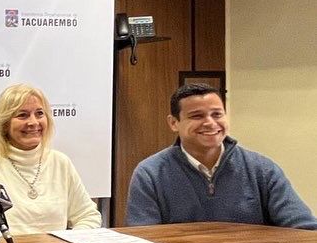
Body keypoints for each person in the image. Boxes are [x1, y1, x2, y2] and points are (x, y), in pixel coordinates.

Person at [126, 83, 317, 228]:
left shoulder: (262, 169)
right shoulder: (150, 174)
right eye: (197, 116)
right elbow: (142, 240)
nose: (210, 123)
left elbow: (303, 228)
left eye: (217, 114)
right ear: (174, 123)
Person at [0, 83, 101, 237]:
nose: (33, 122)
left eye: (39, 114)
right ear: (4, 124)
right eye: (22, 115)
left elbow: (88, 216)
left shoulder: (60, 162)